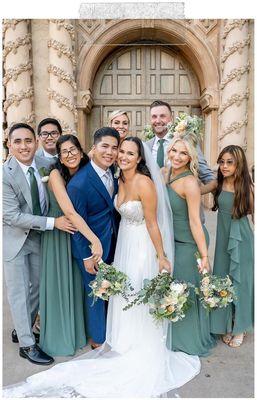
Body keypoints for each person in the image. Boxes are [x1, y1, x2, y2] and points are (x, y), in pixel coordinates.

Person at [3, 137, 201, 398]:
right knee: (122, 294)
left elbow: (153, 223)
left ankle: (139, 342)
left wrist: (162, 255)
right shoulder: (116, 178)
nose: (123, 156)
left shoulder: (143, 182)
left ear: (140, 158)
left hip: (142, 246)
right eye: (122, 151)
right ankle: (120, 339)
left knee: (137, 291)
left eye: (130, 153)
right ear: (95, 149)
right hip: (123, 246)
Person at [3, 123, 74, 365]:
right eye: (18, 141)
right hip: (16, 240)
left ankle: (21, 326)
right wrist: (54, 223)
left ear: (36, 142)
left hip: (41, 238)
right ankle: (26, 344)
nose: (24, 146)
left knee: (39, 288)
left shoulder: (47, 166)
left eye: (28, 140)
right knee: (19, 292)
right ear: (9, 144)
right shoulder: (5, 174)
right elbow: (12, 216)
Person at [39, 134, 103, 356]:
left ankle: (80, 331)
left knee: (77, 284)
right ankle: (61, 334)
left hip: (76, 232)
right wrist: (94, 240)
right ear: (59, 156)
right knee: (61, 283)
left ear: (81, 150)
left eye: (73, 149)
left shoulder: (87, 169)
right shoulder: (56, 174)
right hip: (61, 231)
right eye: (64, 151)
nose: (70, 154)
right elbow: (69, 212)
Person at [67, 127, 121, 349]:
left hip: (115, 240)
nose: (110, 152)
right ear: (94, 148)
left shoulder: (115, 173)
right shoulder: (79, 184)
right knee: (96, 294)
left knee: (111, 289)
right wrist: (87, 257)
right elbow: (77, 226)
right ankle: (98, 341)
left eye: (114, 147)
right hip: (91, 249)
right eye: (105, 146)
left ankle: (113, 331)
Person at [165, 131, 216, 356]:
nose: (177, 156)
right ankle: (173, 335)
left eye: (183, 153)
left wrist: (204, 256)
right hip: (172, 241)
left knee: (186, 290)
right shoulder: (164, 173)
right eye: (175, 150)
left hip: (189, 243)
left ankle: (189, 339)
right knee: (174, 289)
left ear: (190, 158)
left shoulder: (190, 183)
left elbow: (195, 222)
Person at [210, 145, 254, 348]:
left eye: (230, 162)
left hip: (241, 240)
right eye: (221, 162)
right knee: (222, 279)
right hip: (223, 240)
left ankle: (241, 327)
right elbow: (193, 188)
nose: (224, 166)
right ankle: (226, 323)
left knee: (241, 282)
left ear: (239, 164)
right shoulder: (217, 183)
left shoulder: (246, 187)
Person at [145, 100, 216, 189]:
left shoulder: (186, 141)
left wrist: (194, 194)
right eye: (154, 117)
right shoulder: (145, 146)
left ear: (171, 118)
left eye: (162, 116)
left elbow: (207, 177)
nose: (158, 120)